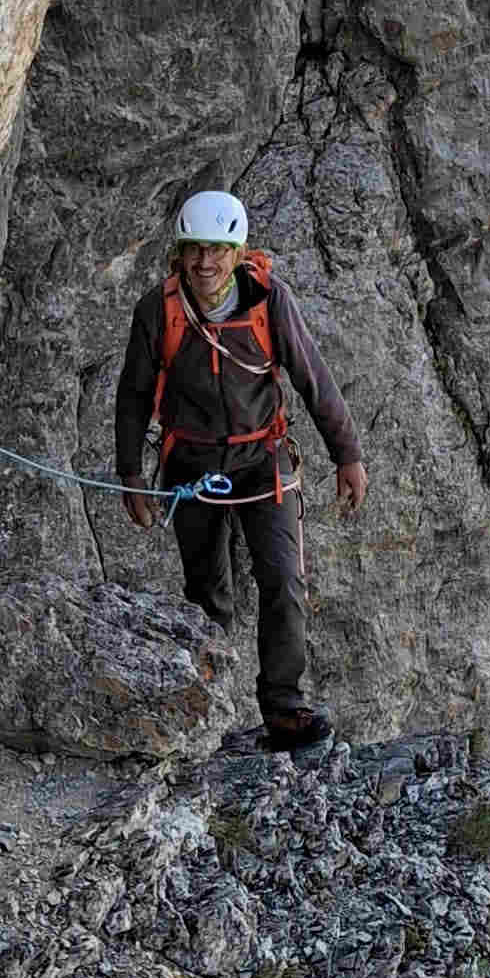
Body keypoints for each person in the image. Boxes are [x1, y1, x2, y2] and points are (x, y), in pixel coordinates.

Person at [114, 190, 366, 752]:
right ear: (179, 254)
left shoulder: (269, 301)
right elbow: (132, 395)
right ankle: (212, 712)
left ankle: (283, 708)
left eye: (218, 250)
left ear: (238, 252)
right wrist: (130, 473)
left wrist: (345, 454)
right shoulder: (158, 310)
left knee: (283, 580)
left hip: (262, 463)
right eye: (195, 250)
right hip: (191, 465)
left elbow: (312, 377)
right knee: (207, 592)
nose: (206, 263)